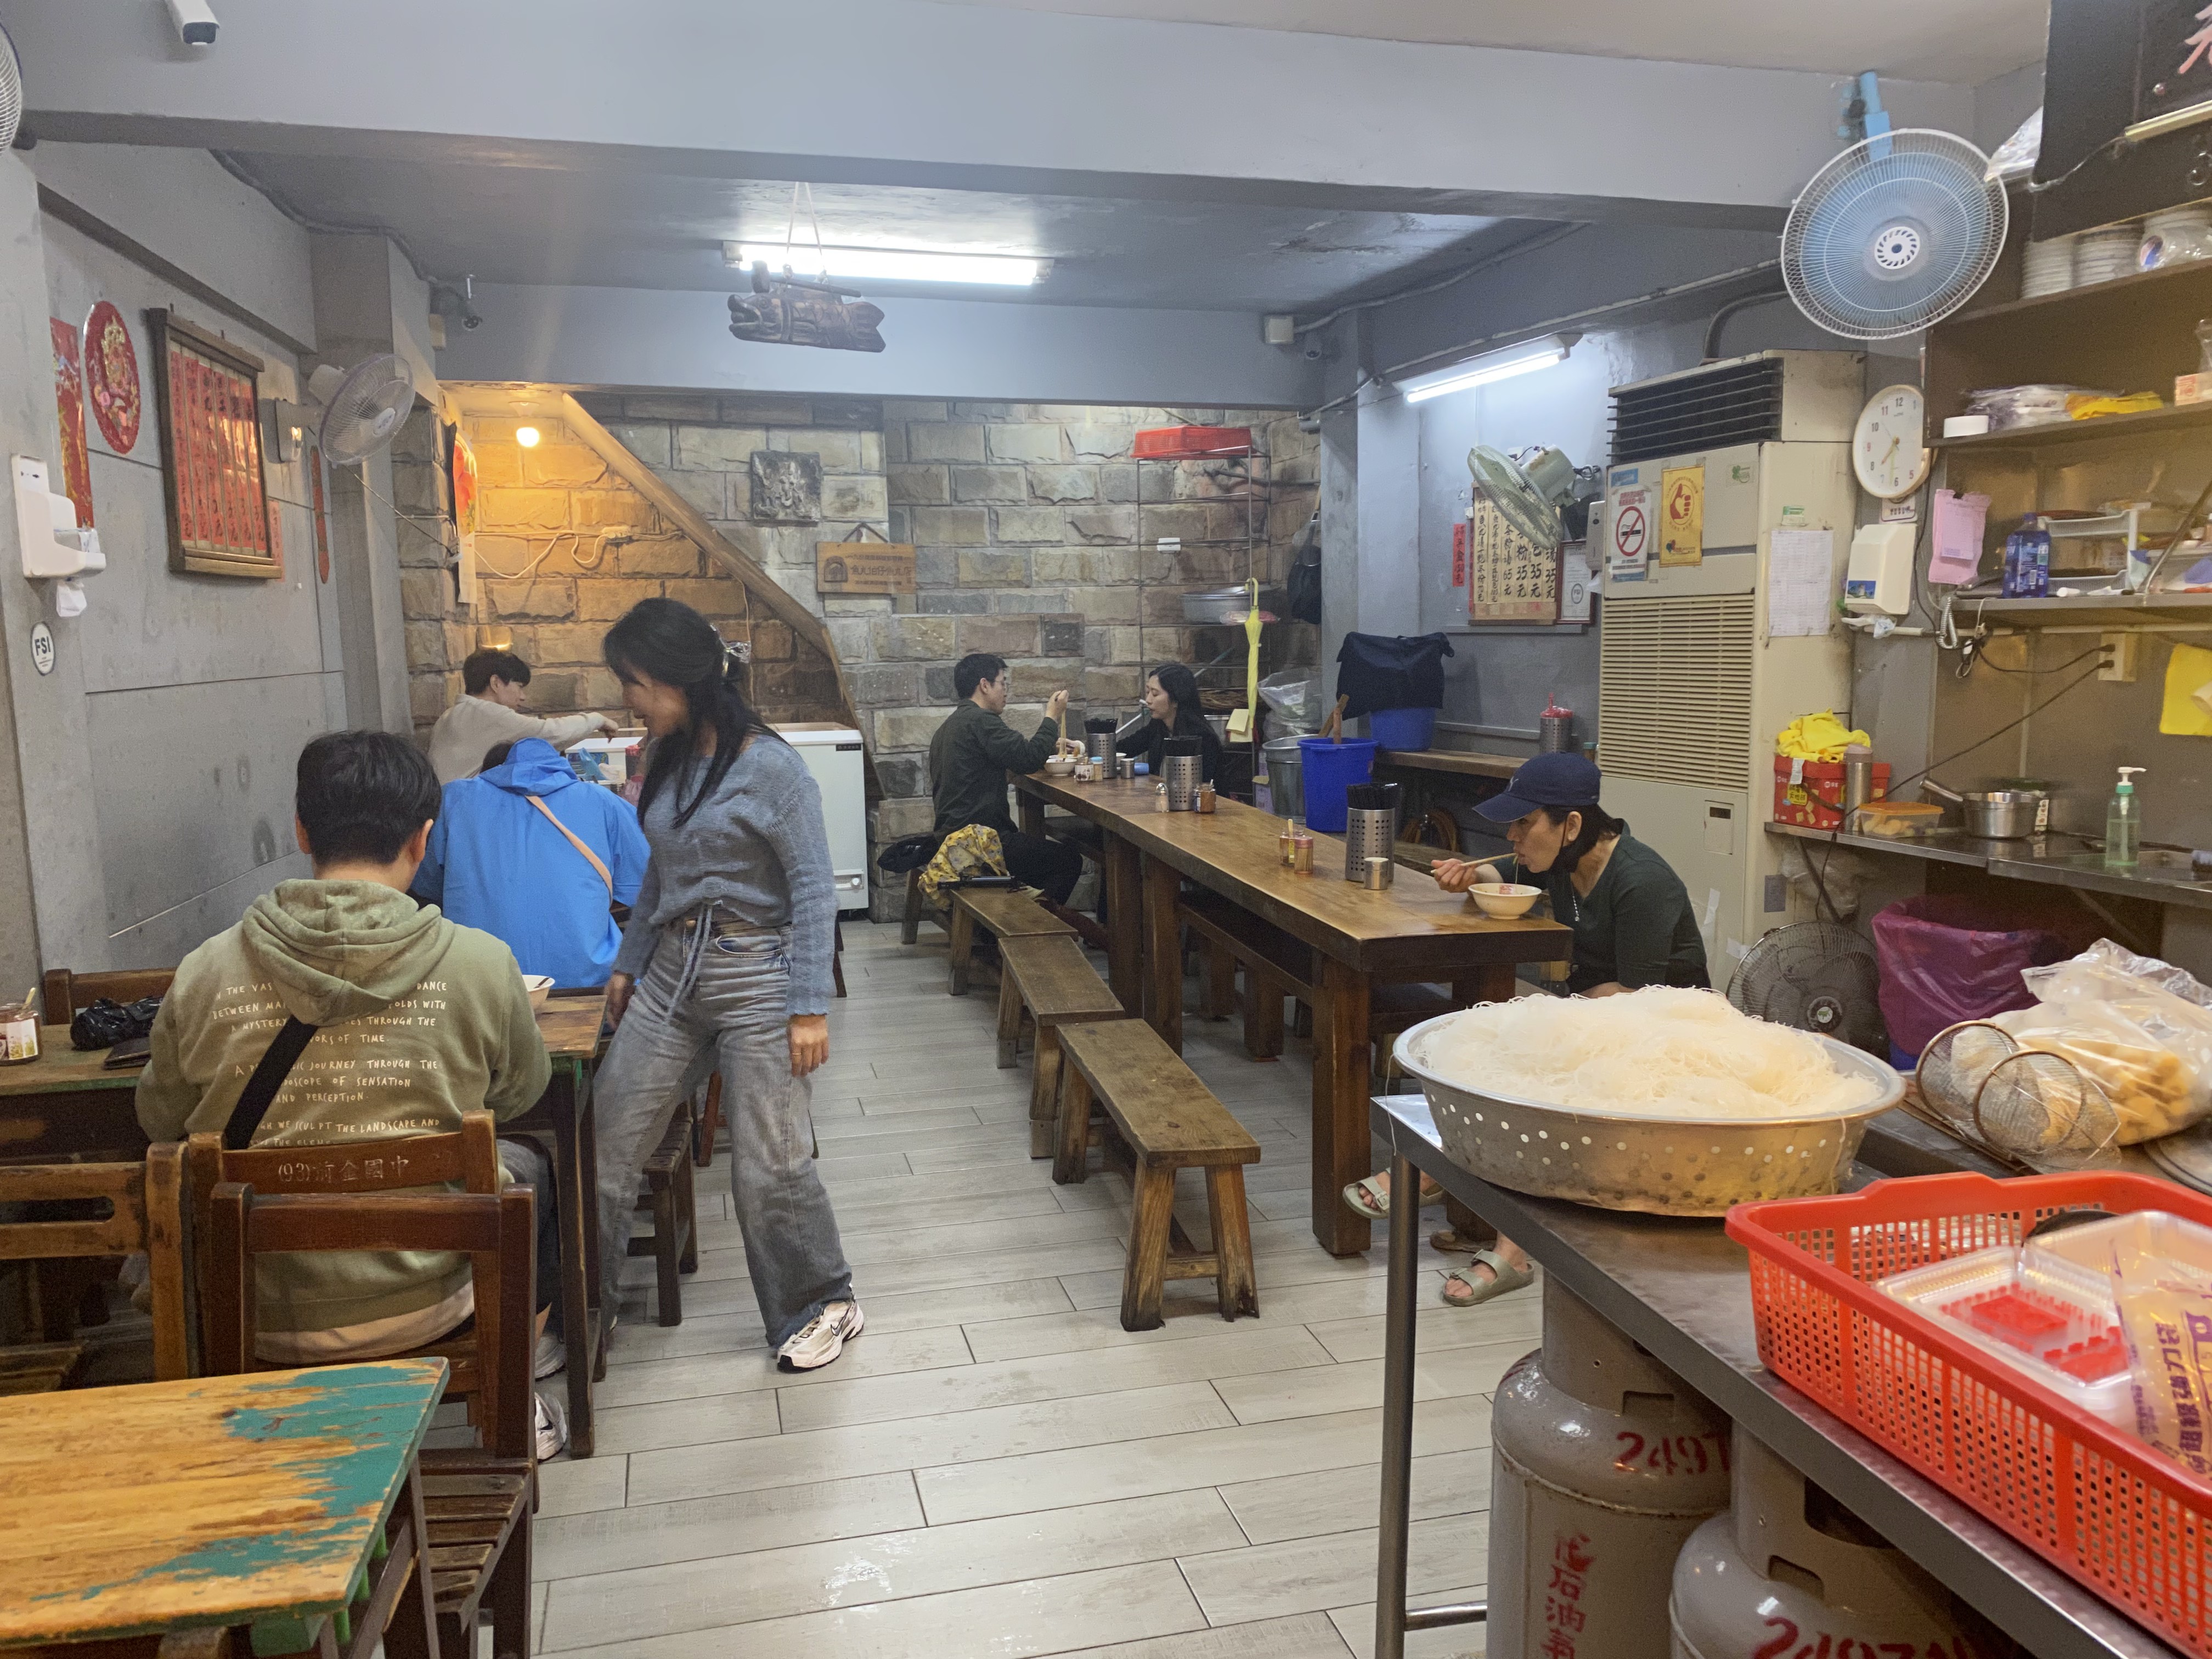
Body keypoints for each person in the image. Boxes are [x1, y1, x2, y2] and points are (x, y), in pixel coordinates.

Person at [134, 731, 566, 1443]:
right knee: (532, 1172)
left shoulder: (204, 971)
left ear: (302, 831)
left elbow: (161, 1118)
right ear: (423, 839)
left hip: (253, 1312)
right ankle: (514, 1400)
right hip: (431, 1302)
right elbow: (520, 1093)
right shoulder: (482, 963)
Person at [592, 597, 859, 1372]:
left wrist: (809, 1008)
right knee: (604, 1141)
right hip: (671, 977)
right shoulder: (666, 755)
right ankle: (580, 1313)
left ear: (681, 679)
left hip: (759, 977)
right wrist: (629, 962)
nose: (628, 699)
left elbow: (814, 889)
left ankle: (823, 1301)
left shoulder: (772, 768)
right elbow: (659, 874)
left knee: (768, 1163)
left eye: (635, 682)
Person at [1344, 752, 1708, 1306]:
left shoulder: (1641, 881)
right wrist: (1470, 875)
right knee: (1486, 1042)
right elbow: (1506, 874)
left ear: (1572, 825)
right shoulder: (1564, 859)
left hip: (1671, 1034)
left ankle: (1501, 1240)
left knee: (1530, 1067)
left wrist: (1550, 1016)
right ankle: (1443, 1168)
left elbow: (1641, 1000)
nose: (1512, 835)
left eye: (1524, 823)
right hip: (1599, 1017)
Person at [412, 737, 651, 991]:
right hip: (586, 980)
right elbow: (644, 887)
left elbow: (426, 883)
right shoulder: (604, 802)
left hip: (479, 982)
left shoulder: (453, 799)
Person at [929, 652, 1081, 905]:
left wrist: (1048, 746)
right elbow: (1028, 759)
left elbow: (1011, 757)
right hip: (978, 845)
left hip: (954, 838)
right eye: (1003, 683)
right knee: (1068, 860)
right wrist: (1052, 715)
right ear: (985, 685)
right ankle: (1037, 923)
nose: (1006, 692)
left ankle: (1026, 915)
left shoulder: (950, 726)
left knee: (1038, 857)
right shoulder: (981, 721)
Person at [427, 647, 618, 785]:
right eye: (519, 687)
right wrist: (597, 719)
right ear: (496, 683)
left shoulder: (448, 716)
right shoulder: (490, 715)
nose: (523, 697)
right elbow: (552, 733)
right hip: (463, 811)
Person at [1118, 662, 1222, 783]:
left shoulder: (1203, 738)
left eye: (1155, 694)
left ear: (1176, 700)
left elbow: (1205, 786)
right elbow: (1124, 749)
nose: (1148, 700)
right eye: (1148, 692)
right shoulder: (1158, 726)